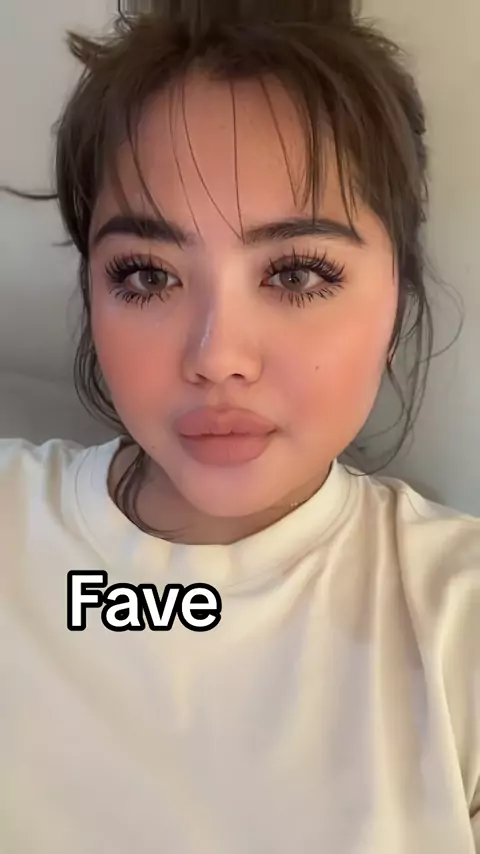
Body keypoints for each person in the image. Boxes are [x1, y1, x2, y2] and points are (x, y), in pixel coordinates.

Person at [1, 1, 479, 851]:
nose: (217, 357)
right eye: (147, 275)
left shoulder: (459, 620)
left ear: (397, 289)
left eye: (296, 273)